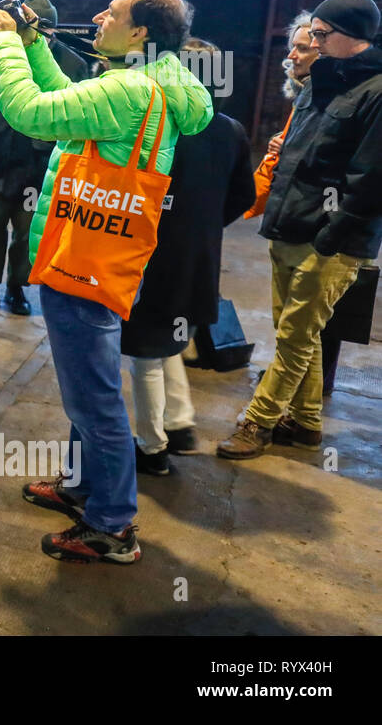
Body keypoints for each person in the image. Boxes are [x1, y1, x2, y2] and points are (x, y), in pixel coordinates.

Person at [0, 0, 213, 564]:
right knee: (89, 390)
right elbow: (67, 100)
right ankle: (83, 486)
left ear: (139, 34)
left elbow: (31, 112)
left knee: (95, 401)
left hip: (83, 264)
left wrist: (4, 42)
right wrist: (34, 46)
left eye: (111, 14)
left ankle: (112, 526)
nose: (97, 19)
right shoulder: (146, 82)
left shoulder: (128, 92)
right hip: (99, 257)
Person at [218, 0, 382, 459]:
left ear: (353, 37)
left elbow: (371, 179)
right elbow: (297, 154)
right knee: (297, 333)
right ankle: (307, 421)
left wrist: (332, 236)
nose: (312, 43)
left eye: (321, 35)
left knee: (295, 336)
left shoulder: (376, 93)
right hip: (290, 224)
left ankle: (258, 422)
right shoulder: (319, 82)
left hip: (330, 240)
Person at [121, 38, 255, 476]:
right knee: (168, 340)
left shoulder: (160, 125)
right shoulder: (231, 130)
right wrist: (204, 227)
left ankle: (152, 448)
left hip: (153, 256)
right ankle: (178, 424)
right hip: (198, 259)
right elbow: (244, 196)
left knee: (145, 354)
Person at [0, 0, 88, 317]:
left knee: (27, 233)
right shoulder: (5, 55)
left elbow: (77, 120)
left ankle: (17, 288)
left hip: (39, 168)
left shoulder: (73, 65)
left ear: (50, 29)